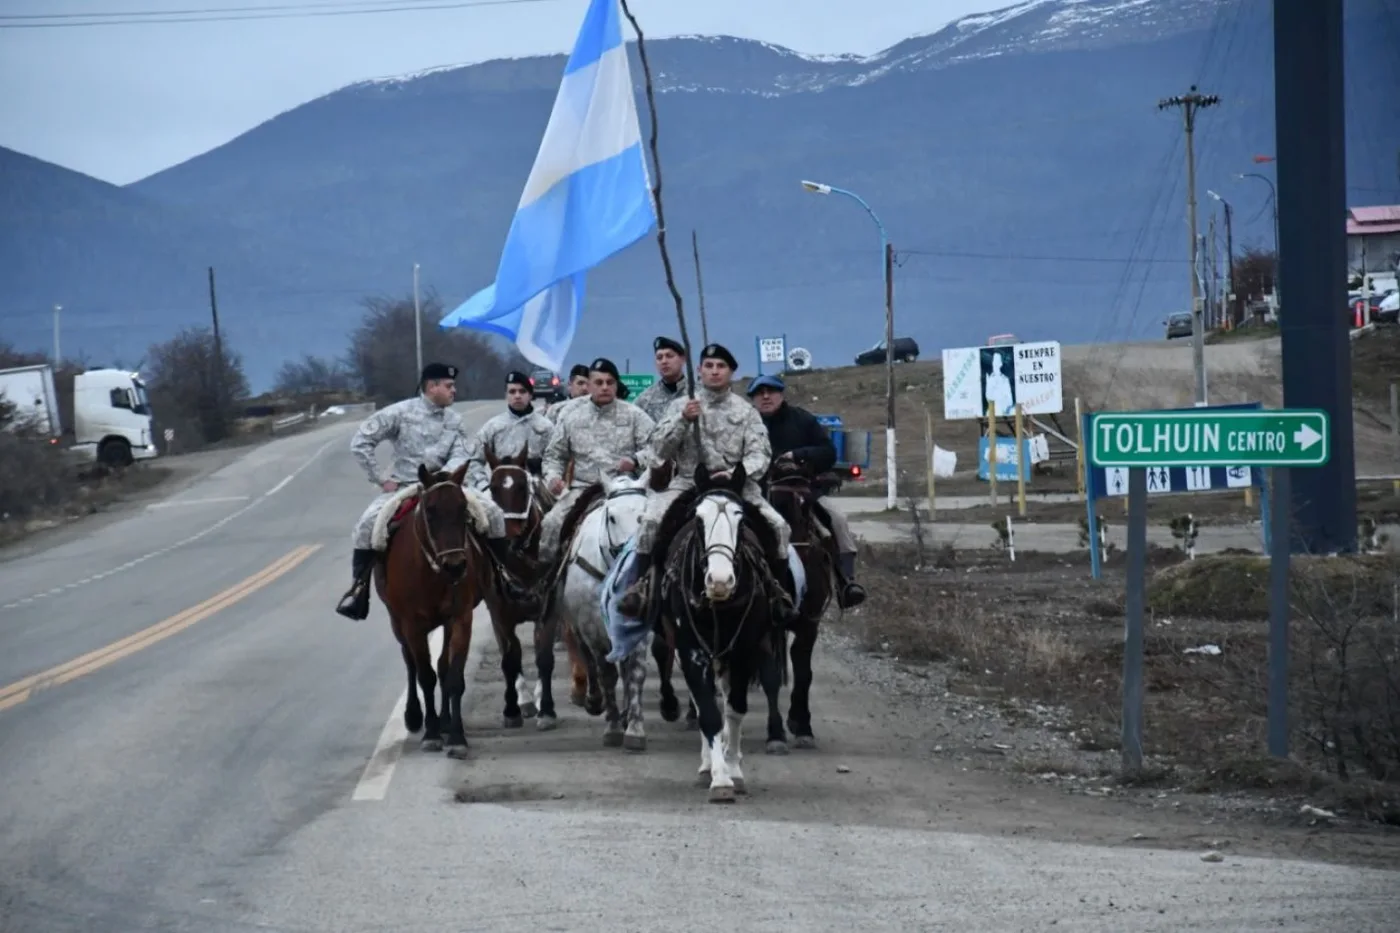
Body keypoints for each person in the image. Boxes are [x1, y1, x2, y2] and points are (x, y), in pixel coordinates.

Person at [334, 363, 530, 621]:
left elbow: (462, 453)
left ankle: (504, 578)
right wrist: (381, 479)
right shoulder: (398, 413)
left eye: (453, 386)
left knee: (493, 513)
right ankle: (359, 592)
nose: (454, 391)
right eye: (448, 386)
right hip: (407, 486)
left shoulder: (455, 421)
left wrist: (445, 478)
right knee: (366, 526)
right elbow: (360, 442)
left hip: (449, 486)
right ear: (432, 386)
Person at [616, 343, 797, 622]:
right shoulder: (680, 405)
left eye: (721, 366)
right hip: (688, 483)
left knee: (779, 526)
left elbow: (761, 454)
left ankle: (779, 593)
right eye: (709, 366)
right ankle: (643, 588)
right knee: (650, 522)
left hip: (738, 486)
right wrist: (683, 420)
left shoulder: (747, 412)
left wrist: (736, 473)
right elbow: (659, 450)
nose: (714, 372)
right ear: (699, 370)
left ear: (731, 372)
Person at [746, 373, 866, 609]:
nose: (766, 396)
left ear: (781, 394)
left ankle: (846, 582)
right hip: (755, 494)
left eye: (771, 391)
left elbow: (829, 452)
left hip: (802, 492)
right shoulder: (744, 424)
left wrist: (798, 455)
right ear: (753, 399)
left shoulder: (802, 420)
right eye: (760, 393)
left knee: (837, 520)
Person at [533, 357, 657, 581]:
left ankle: (655, 586)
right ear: (588, 385)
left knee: (655, 526)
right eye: (598, 382)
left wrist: (636, 460)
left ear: (616, 385)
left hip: (626, 490)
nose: (604, 387)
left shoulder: (634, 415)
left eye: (610, 382)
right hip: (584, 489)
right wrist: (553, 478)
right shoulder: (571, 416)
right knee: (551, 524)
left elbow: (658, 449)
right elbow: (554, 456)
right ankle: (546, 588)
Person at [465, 370, 554, 491]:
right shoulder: (493, 427)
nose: (517, 396)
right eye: (512, 392)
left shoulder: (546, 427)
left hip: (537, 492)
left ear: (530, 395)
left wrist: (548, 482)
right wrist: (484, 487)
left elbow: (555, 460)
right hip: (502, 492)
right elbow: (474, 461)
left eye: (522, 391)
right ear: (506, 395)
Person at [632, 336, 692, 422]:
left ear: (682, 359)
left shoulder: (697, 393)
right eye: (659, 358)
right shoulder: (645, 400)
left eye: (669, 356)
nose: (664, 361)